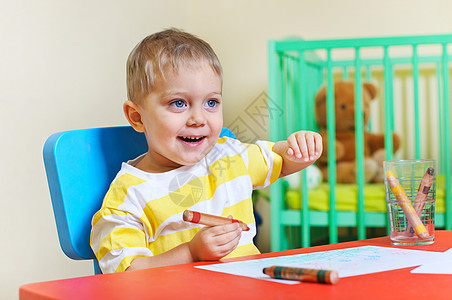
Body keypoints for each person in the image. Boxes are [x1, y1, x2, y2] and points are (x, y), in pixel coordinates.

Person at [90, 28, 322, 274]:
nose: (199, 118)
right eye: (178, 103)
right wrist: (190, 253)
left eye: (211, 103)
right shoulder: (129, 196)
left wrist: (299, 148)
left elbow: (280, 160)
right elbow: (126, 275)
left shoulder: (229, 155)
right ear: (137, 117)